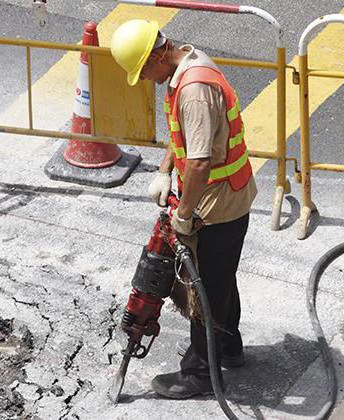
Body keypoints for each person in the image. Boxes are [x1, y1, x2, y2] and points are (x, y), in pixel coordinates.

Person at [111, 19, 257, 399]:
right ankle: (227, 348)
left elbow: (200, 161)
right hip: (225, 197)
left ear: (160, 54)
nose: (145, 78)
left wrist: (185, 214)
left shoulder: (193, 90)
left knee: (203, 287)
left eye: (144, 69)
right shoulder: (187, 64)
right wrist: (163, 171)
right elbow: (186, 137)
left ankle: (200, 373)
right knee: (220, 276)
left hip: (216, 203)